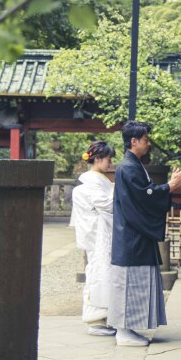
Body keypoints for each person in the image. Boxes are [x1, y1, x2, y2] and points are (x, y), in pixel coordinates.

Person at [108, 121, 181, 346]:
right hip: (131, 237)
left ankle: (129, 328)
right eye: (145, 139)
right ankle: (123, 331)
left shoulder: (133, 165)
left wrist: (166, 187)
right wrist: (170, 186)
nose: (148, 143)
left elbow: (146, 194)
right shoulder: (127, 167)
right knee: (129, 284)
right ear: (133, 141)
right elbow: (145, 196)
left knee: (136, 284)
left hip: (135, 235)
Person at [69, 140, 117, 336]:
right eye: (108, 159)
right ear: (97, 159)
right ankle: (95, 319)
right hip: (98, 236)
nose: (110, 163)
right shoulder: (89, 184)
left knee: (105, 273)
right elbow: (107, 204)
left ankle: (105, 316)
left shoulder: (99, 181)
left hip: (103, 234)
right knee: (98, 273)